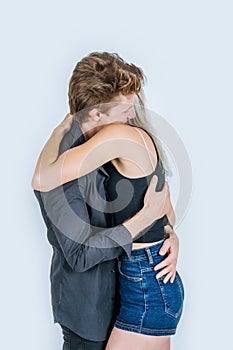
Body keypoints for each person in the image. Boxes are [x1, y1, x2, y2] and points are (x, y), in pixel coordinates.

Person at [32, 52, 181, 350]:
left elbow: (164, 209)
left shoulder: (119, 143)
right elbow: (79, 254)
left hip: (142, 287)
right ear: (97, 113)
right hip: (93, 312)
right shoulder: (66, 165)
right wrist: (144, 221)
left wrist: (168, 235)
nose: (132, 116)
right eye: (124, 109)